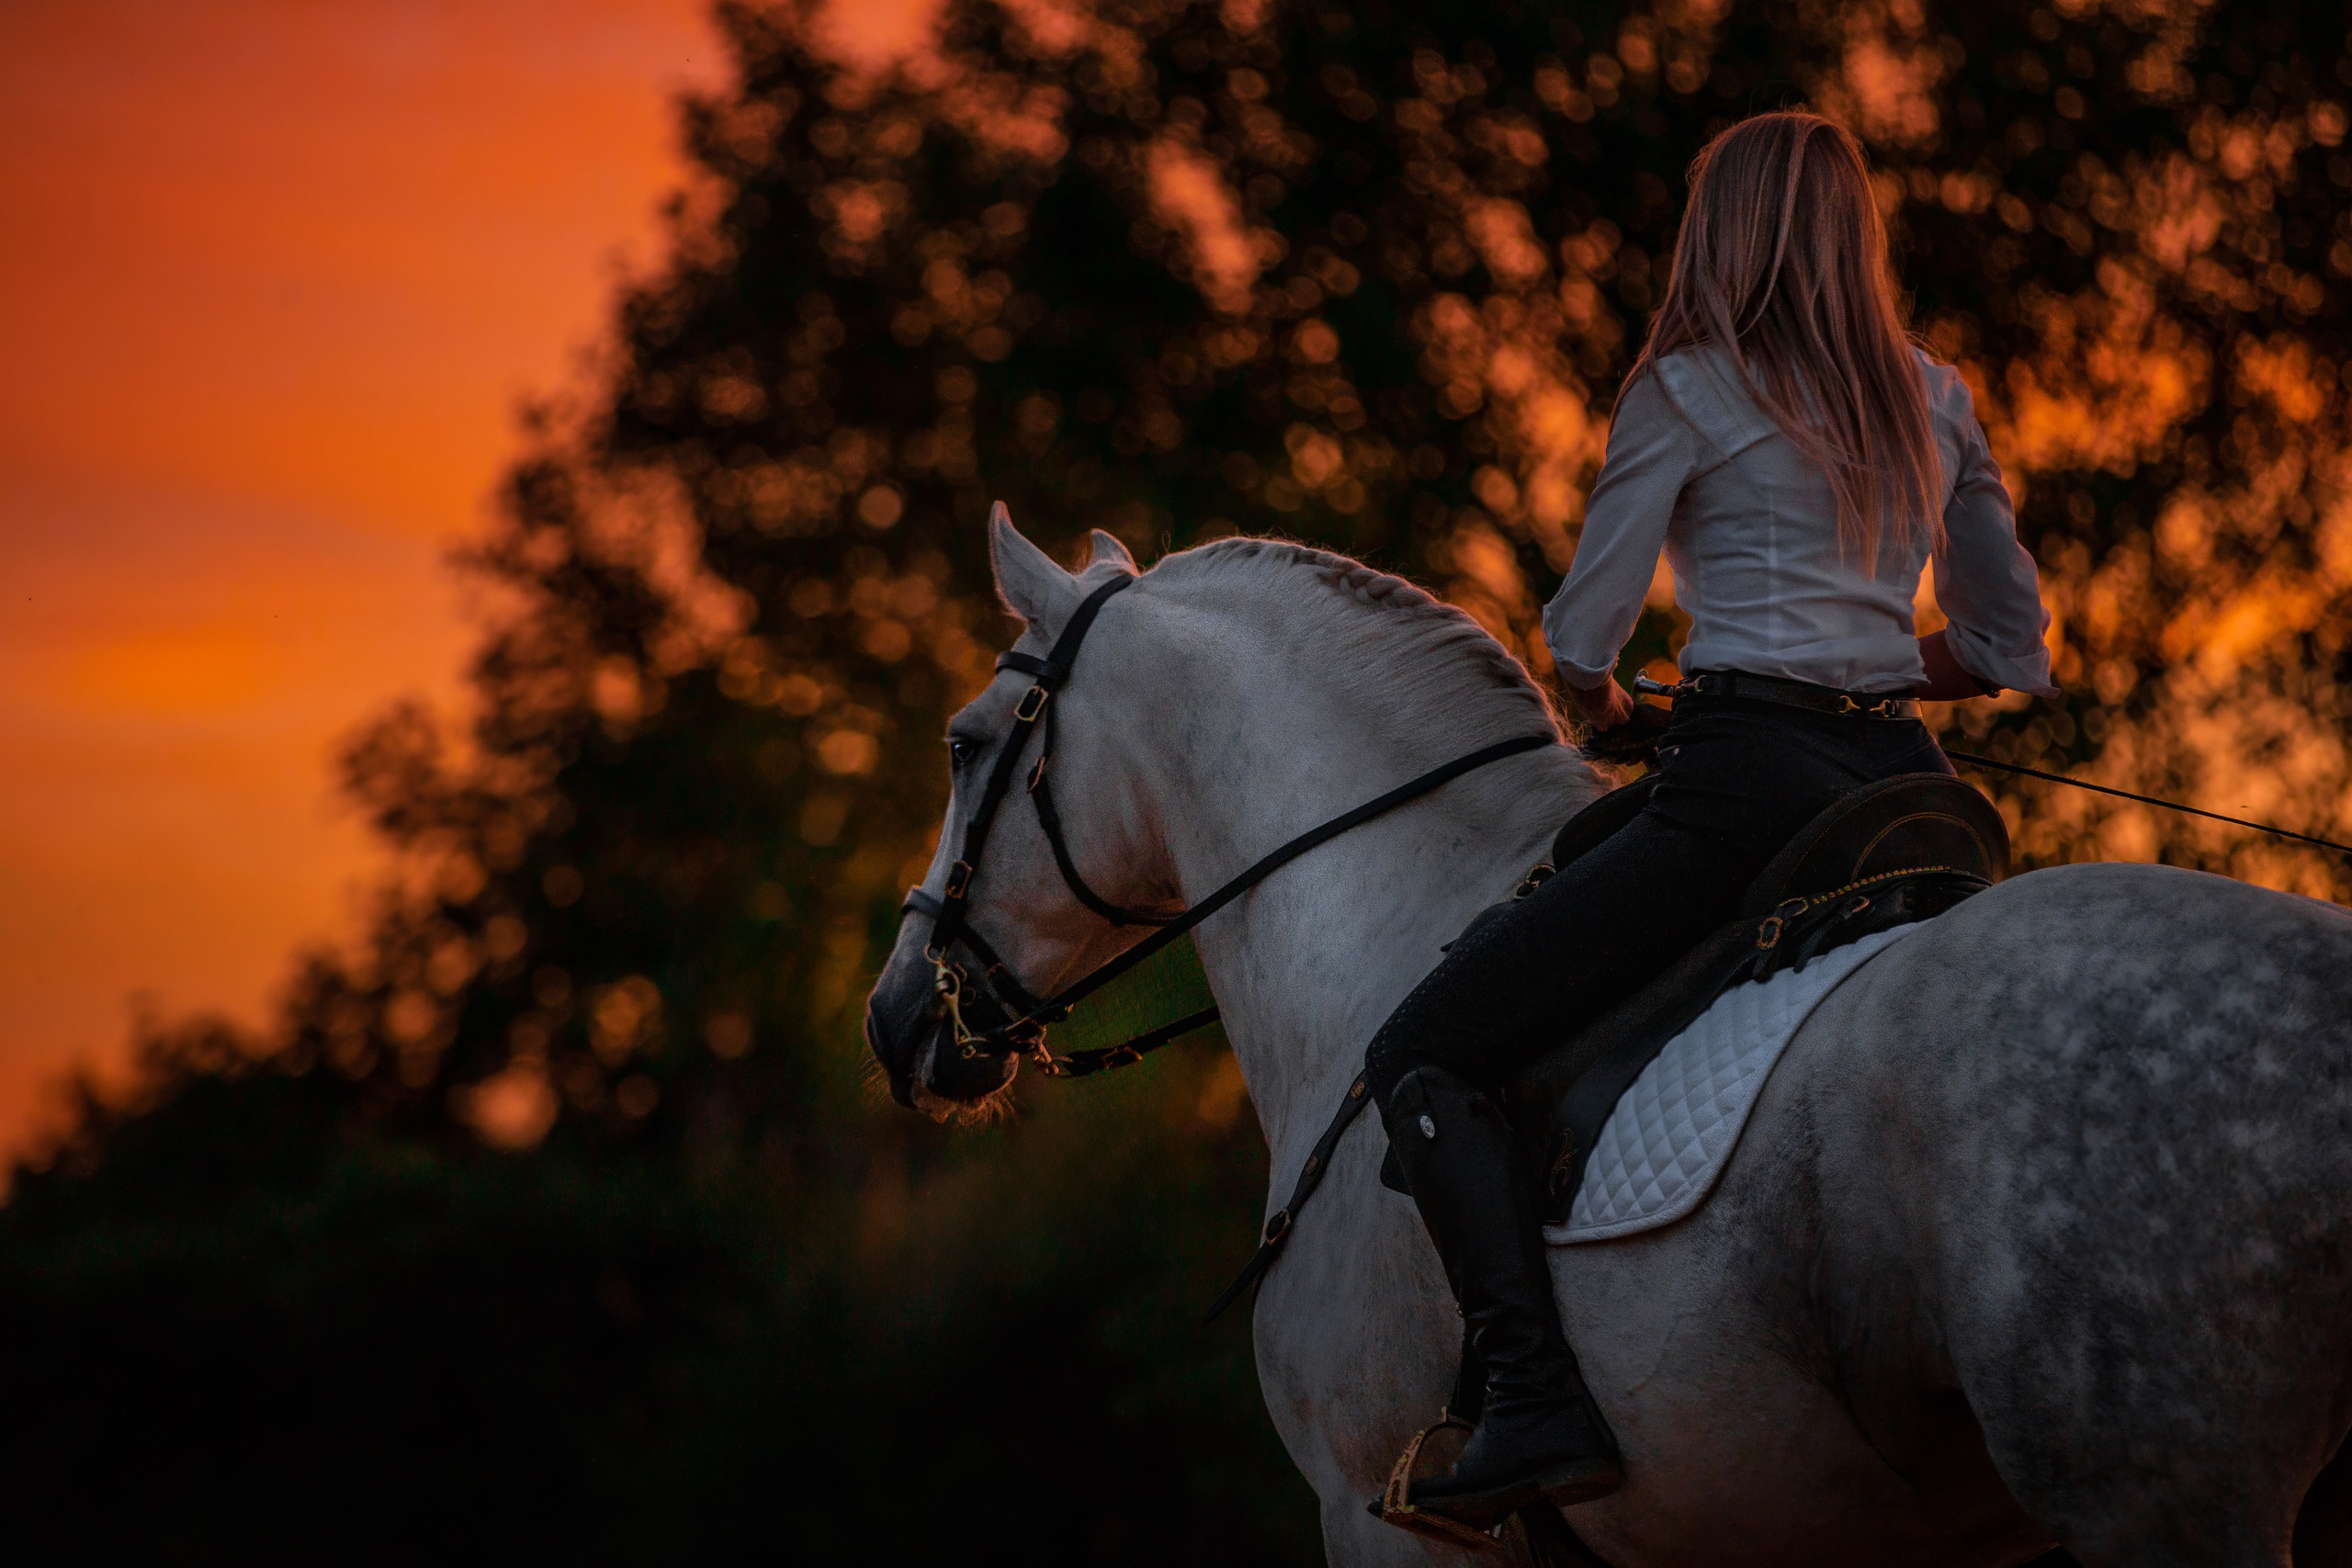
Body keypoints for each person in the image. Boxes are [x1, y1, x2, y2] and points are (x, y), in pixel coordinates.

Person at [1366, 110, 2057, 1528]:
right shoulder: (1936, 396)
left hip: (1744, 787)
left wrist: (1613, 707)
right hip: (1912, 796)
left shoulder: (1686, 386)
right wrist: (1870, 667)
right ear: (1857, 236)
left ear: (1718, 232)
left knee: (1424, 1047)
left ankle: (1531, 1394)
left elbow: (1578, 636)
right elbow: (2005, 649)